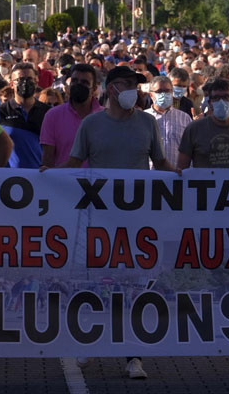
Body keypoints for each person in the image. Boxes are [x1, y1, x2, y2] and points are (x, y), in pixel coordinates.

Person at [62, 65, 175, 380]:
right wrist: (45, 177)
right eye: (128, 84)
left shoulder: (147, 123)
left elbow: (162, 162)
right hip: (100, 221)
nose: (135, 91)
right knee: (96, 286)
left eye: (137, 86)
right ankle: (91, 342)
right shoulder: (91, 125)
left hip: (138, 223)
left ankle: (133, 355)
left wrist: (185, 178)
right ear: (111, 88)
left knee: (134, 289)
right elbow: (73, 164)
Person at [177, 78, 229, 169]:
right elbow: (181, 169)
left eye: (226, 97)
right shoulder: (194, 129)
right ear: (210, 103)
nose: (221, 102)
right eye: (216, 98)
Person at [40, 64, 103, 169]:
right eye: (74, 81)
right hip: (64, 183)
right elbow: (47, 159)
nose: (79, 85)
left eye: (85, 82)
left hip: (98, 183)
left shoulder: (105, 117)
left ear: (94, 88)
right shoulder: (53, 116)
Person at [0, 62, 50, 169]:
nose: (25, 83)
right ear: (12, 84)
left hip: (41, 178)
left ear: (36, 82)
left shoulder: (48, 113)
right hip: (9, 180)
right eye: (20, 80)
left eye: (29, 79)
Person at [145, 75, 191, 167]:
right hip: (150, 175)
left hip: (177, 175)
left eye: (167, 91)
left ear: (172, 92)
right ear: (151, 95)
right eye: (159, 91)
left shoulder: (184, 118)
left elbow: (190, 149)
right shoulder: (143, 118)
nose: (163, 94)